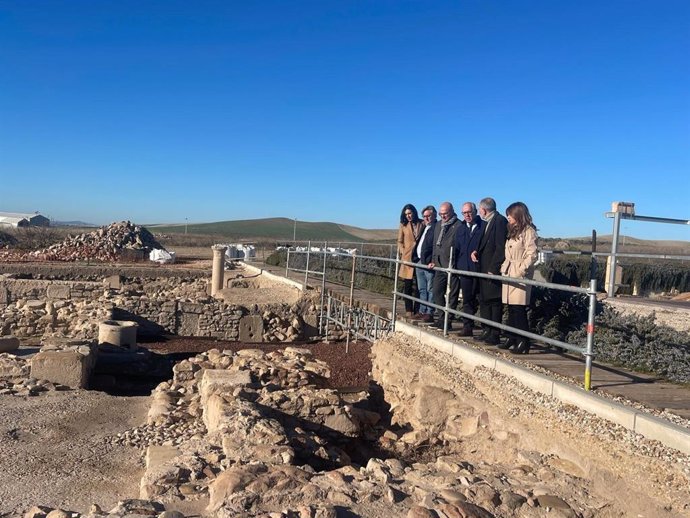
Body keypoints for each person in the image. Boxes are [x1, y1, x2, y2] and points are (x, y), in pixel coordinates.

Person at [499, 202, 538, 354]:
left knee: (518, 308)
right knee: (510, 307)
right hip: (509, 271)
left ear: (518, 214)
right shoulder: (513, 230)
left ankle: (523, 341)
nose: (508, 217)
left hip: (518, 273)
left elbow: (532, 254)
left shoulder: (529, 231)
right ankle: (511, 337)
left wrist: (521, 270)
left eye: (510, 214)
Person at [471, 197, 508, 345]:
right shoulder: (487, 222)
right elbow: (484, 243)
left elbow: (500, 248)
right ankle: (486, 330)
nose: (479, 212)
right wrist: (476, 252)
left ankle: (494, 333)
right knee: (484, 300)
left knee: (494, 302)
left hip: (491, 270)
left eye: (480, 210)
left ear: (483, 210)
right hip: (482, 268)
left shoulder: (499, 221)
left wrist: (494, 269)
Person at [454, 202, 484, 336]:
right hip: (464, 270)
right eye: (464, 213)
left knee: (482, 299)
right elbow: (456, 249)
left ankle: (487, 329)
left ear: (475, 211)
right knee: (467, 299)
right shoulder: (460, 229)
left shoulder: (483, 226)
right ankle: (467, 326)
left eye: (469, 212)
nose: (467, 215)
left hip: (479, 270)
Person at [429, 201, 461, 329]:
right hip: (439, 264)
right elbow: (434, 245)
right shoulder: (438, 225)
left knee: (452, 295)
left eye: (445, 214)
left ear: (452, 211)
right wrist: (432, 260)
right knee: (436, 291)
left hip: (452, 265)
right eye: (441, 214)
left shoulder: (459, 225)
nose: (443, 216)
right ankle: (442, 317)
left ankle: (448, 321)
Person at [397, 203, 423, 318]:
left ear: (414, 212)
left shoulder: (422, 223)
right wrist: (403, 252)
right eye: (406, 214)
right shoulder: (403, 225)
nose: (408, 215)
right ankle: (408, 309)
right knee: (407, 286)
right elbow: (399, 241)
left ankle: (417, 310)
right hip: (407, 258)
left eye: (410, 213)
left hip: (419, 258)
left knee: (419, 286)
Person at [414, 205, 437, 322]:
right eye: (424, 216)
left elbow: (436, 246)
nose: (426, 218)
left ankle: (429, 312)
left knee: (430, 288)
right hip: (419, 261)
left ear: (434, 215)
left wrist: (433, 260)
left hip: (428, 262)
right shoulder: (425, 227)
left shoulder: (436, 228)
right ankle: (422, 310)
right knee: (422, 288)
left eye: (429, 216)